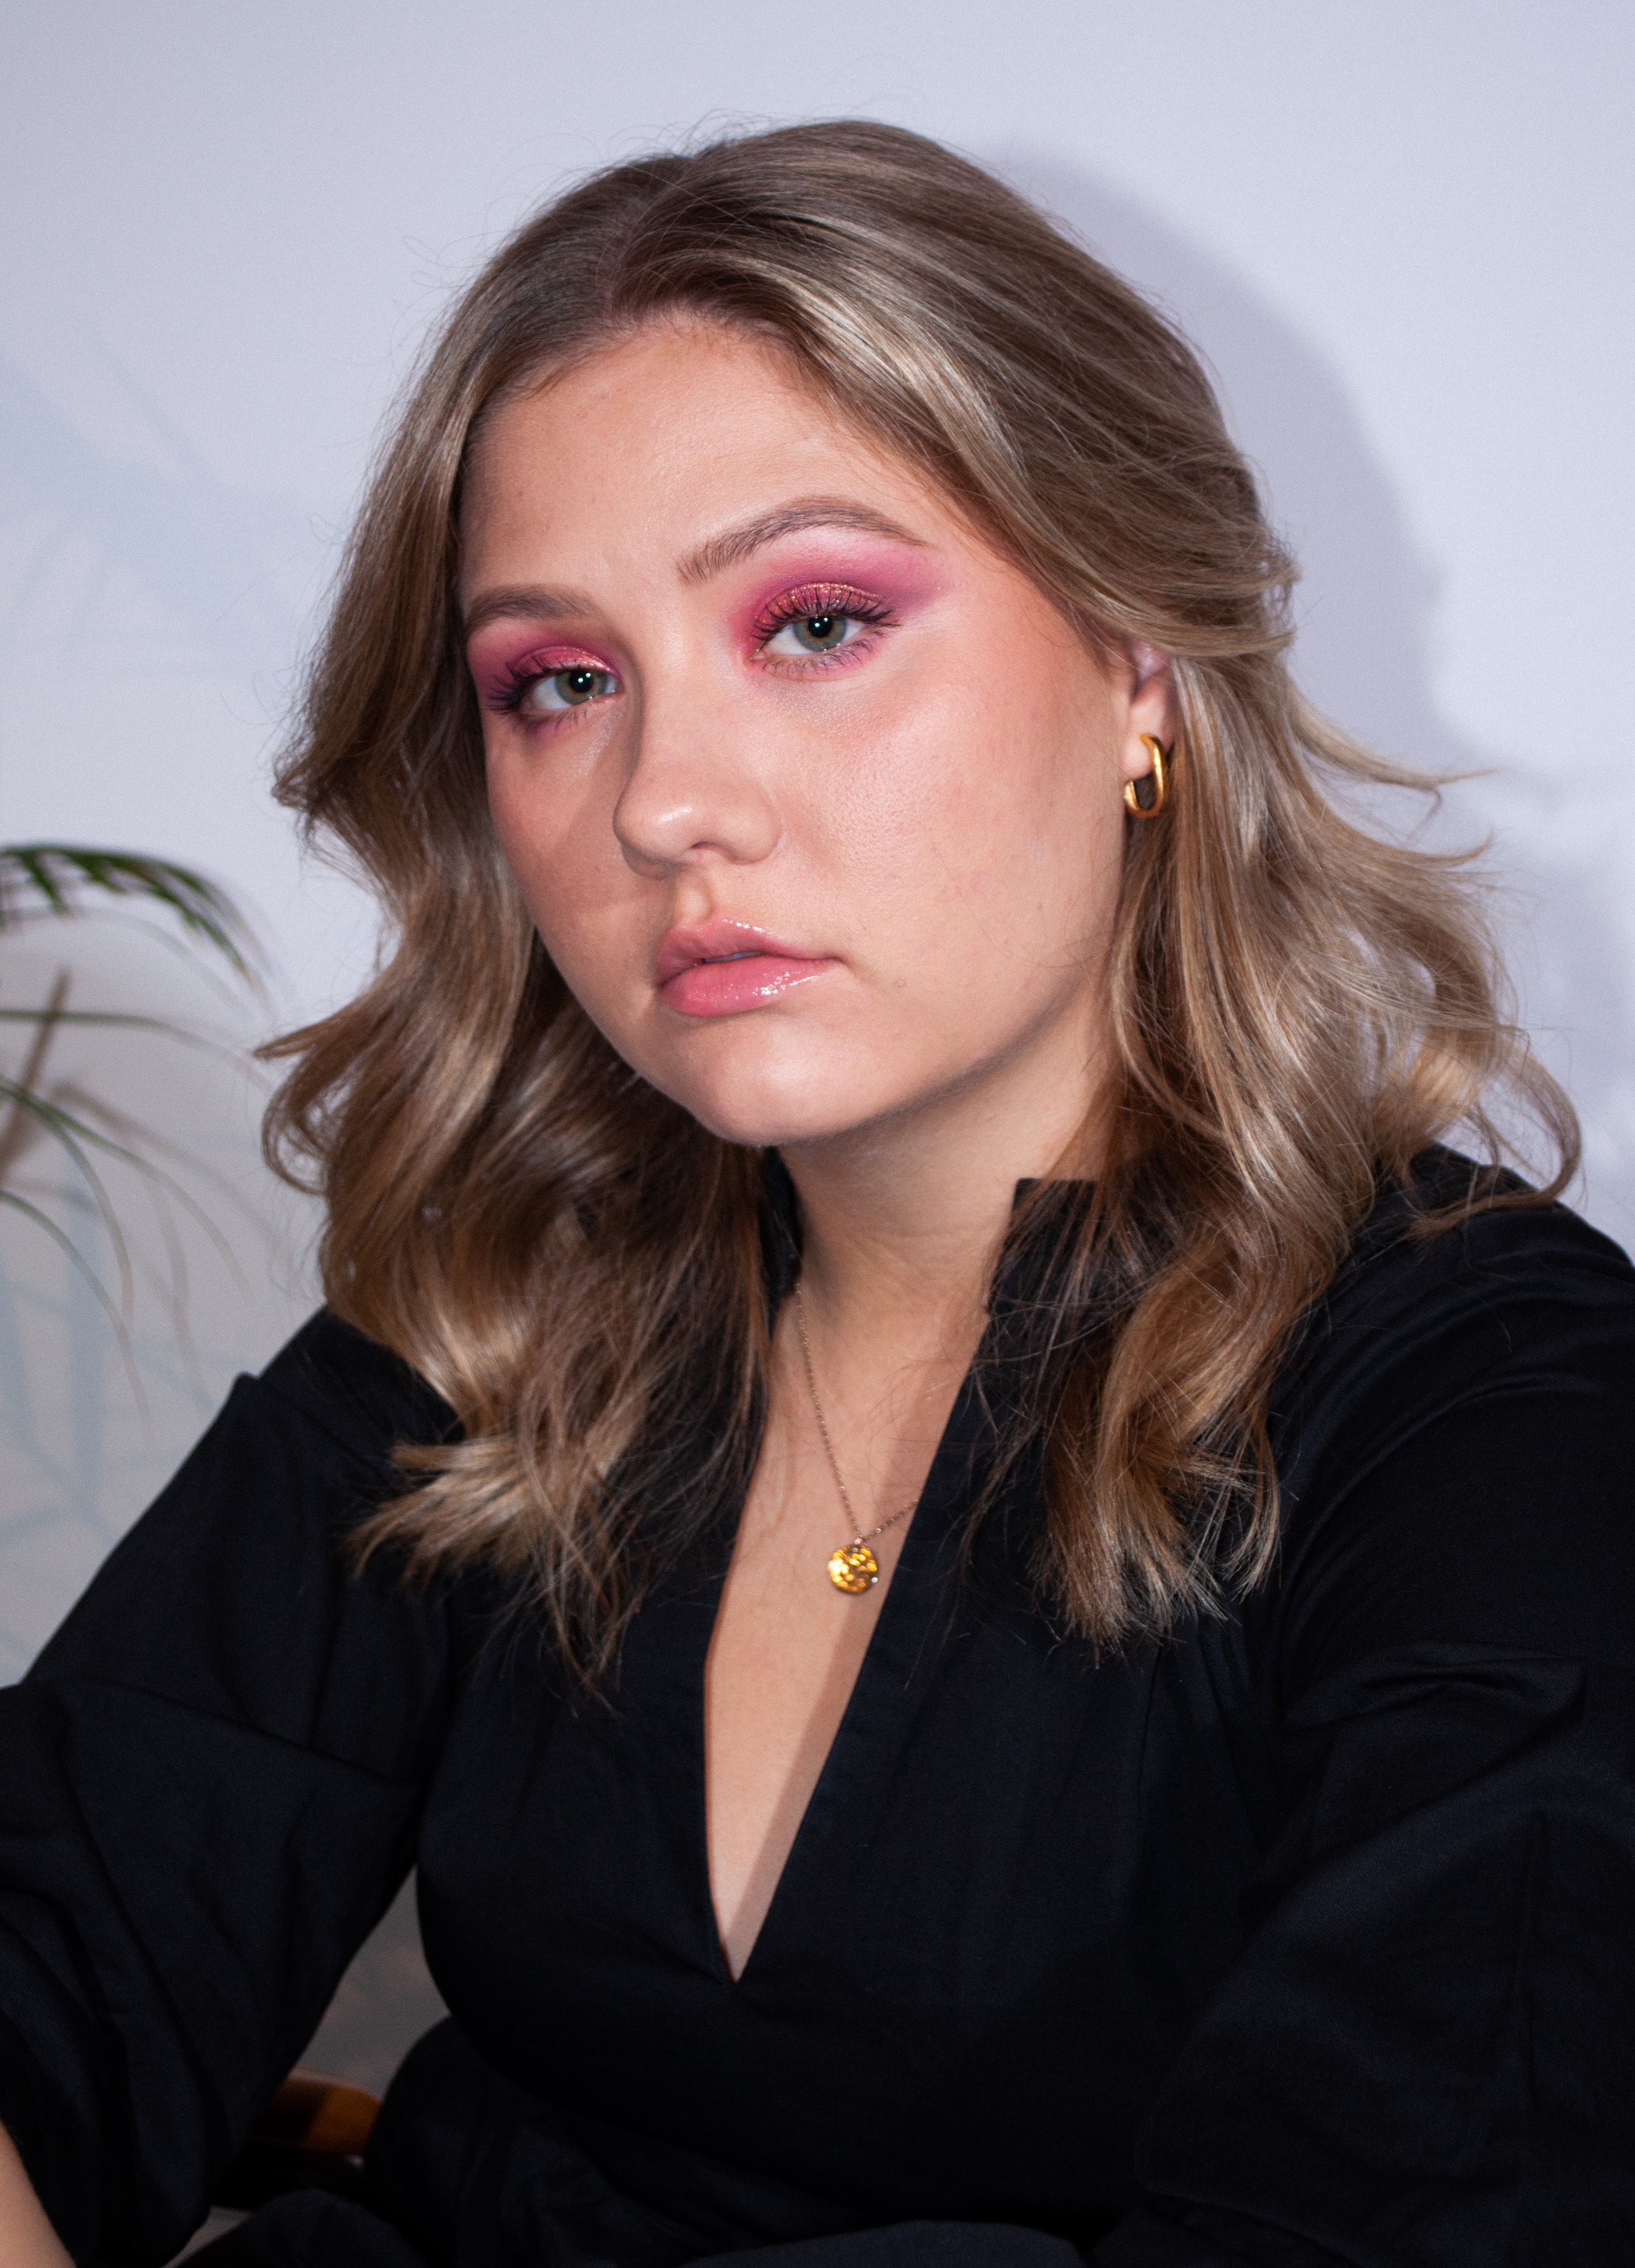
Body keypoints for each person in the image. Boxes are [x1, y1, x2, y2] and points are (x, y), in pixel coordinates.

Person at [1, 120, 1630, 2268]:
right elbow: (56, 1968)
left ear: (1139, 667)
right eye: (558, 684)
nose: (665, 800)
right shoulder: (496, 1326)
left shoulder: (1494, 1409)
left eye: (818, 620)